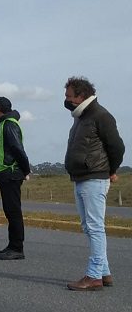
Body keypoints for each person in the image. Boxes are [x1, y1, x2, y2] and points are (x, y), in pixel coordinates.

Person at [64, 77, 125, 291]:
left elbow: (117, 147)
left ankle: (94, 276)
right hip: (81, 177)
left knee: (95, 227)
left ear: (81, 96)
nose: (66, 100)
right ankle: (104, 272)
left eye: (69, 96)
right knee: (88, 226)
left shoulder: (101, 116)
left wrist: (111, 170)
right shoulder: (81, 117)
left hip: (94, 177)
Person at [0, 97, 31, 260]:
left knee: (13, 211)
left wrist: (26, 169)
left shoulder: (9, 124)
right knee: (10, 211)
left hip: (11, 174)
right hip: (5, 174)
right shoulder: (5, 125)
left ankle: (17, 247)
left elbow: (17, 149)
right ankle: (12, 245)